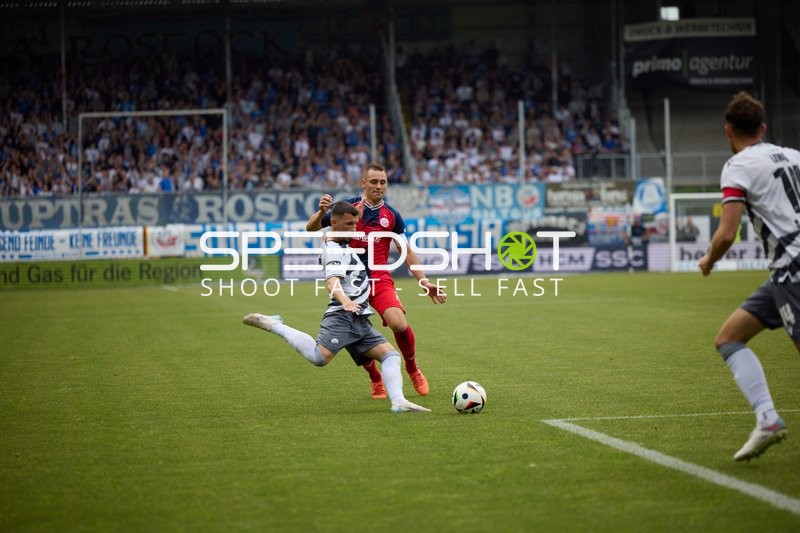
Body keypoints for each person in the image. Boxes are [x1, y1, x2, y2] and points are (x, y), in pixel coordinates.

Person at [243, 201, 429, 413]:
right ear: (334, 222)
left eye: (356, 224)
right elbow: (332, 282)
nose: (354, 229)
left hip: (359, 318)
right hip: (343, 315)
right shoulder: (334, 250)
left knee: (390, 355)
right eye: (349, 224)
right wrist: (345, 300)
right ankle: (275, 325)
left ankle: (398, 402)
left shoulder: (342, 245)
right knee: (319, 357)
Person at [698, 91, 797, 461]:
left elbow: (727, 233)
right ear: (763, 127)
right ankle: (768, 418)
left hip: (794, 270)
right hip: (783, 275)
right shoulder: (794, 156)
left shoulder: (738, 166)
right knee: (728, 339)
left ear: (728, 131)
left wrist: (709, 259)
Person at [306, 163, 447, 400]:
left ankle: (413, 370)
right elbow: (311, 228)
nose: (378, 186)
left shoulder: (391, 216)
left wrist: (424, 281)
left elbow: (406, 251)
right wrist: (321, 213)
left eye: (383, 182)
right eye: (373, 182)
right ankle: (375, 378)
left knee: (399, 324)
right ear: (363, 183)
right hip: (350, 279)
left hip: (378, 278)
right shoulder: (348, 208)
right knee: (354, 330)